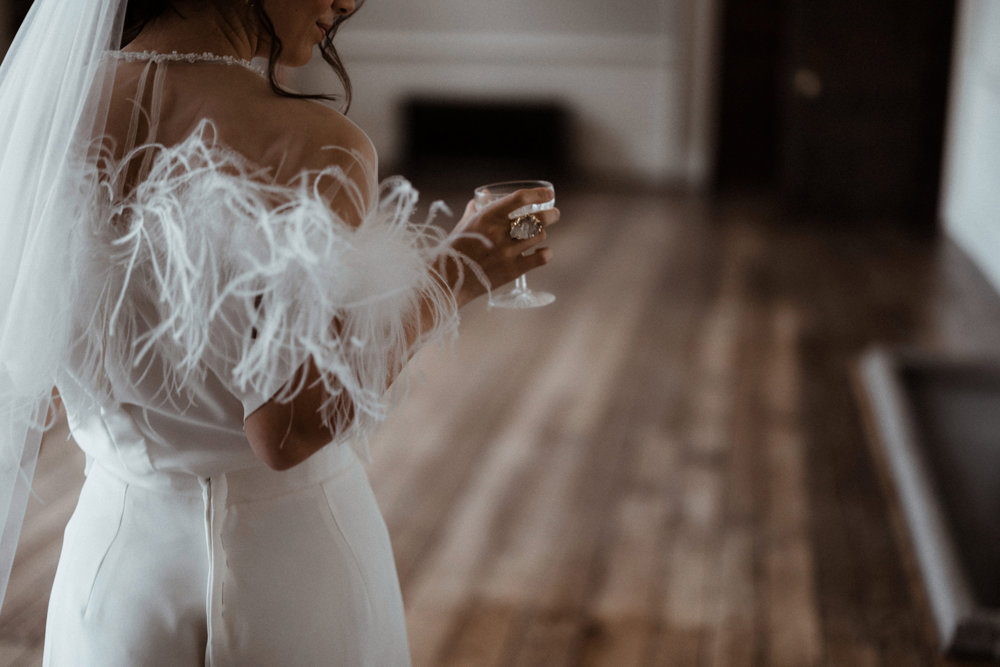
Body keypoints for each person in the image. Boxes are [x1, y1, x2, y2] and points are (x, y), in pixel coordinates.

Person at [0, 0, 559, 664]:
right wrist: (458, 272)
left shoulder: (42, 105)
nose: (350, 2)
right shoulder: (315, 144)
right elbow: (288, 427)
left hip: (114, 573)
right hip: (289, 579)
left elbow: (35, 358)